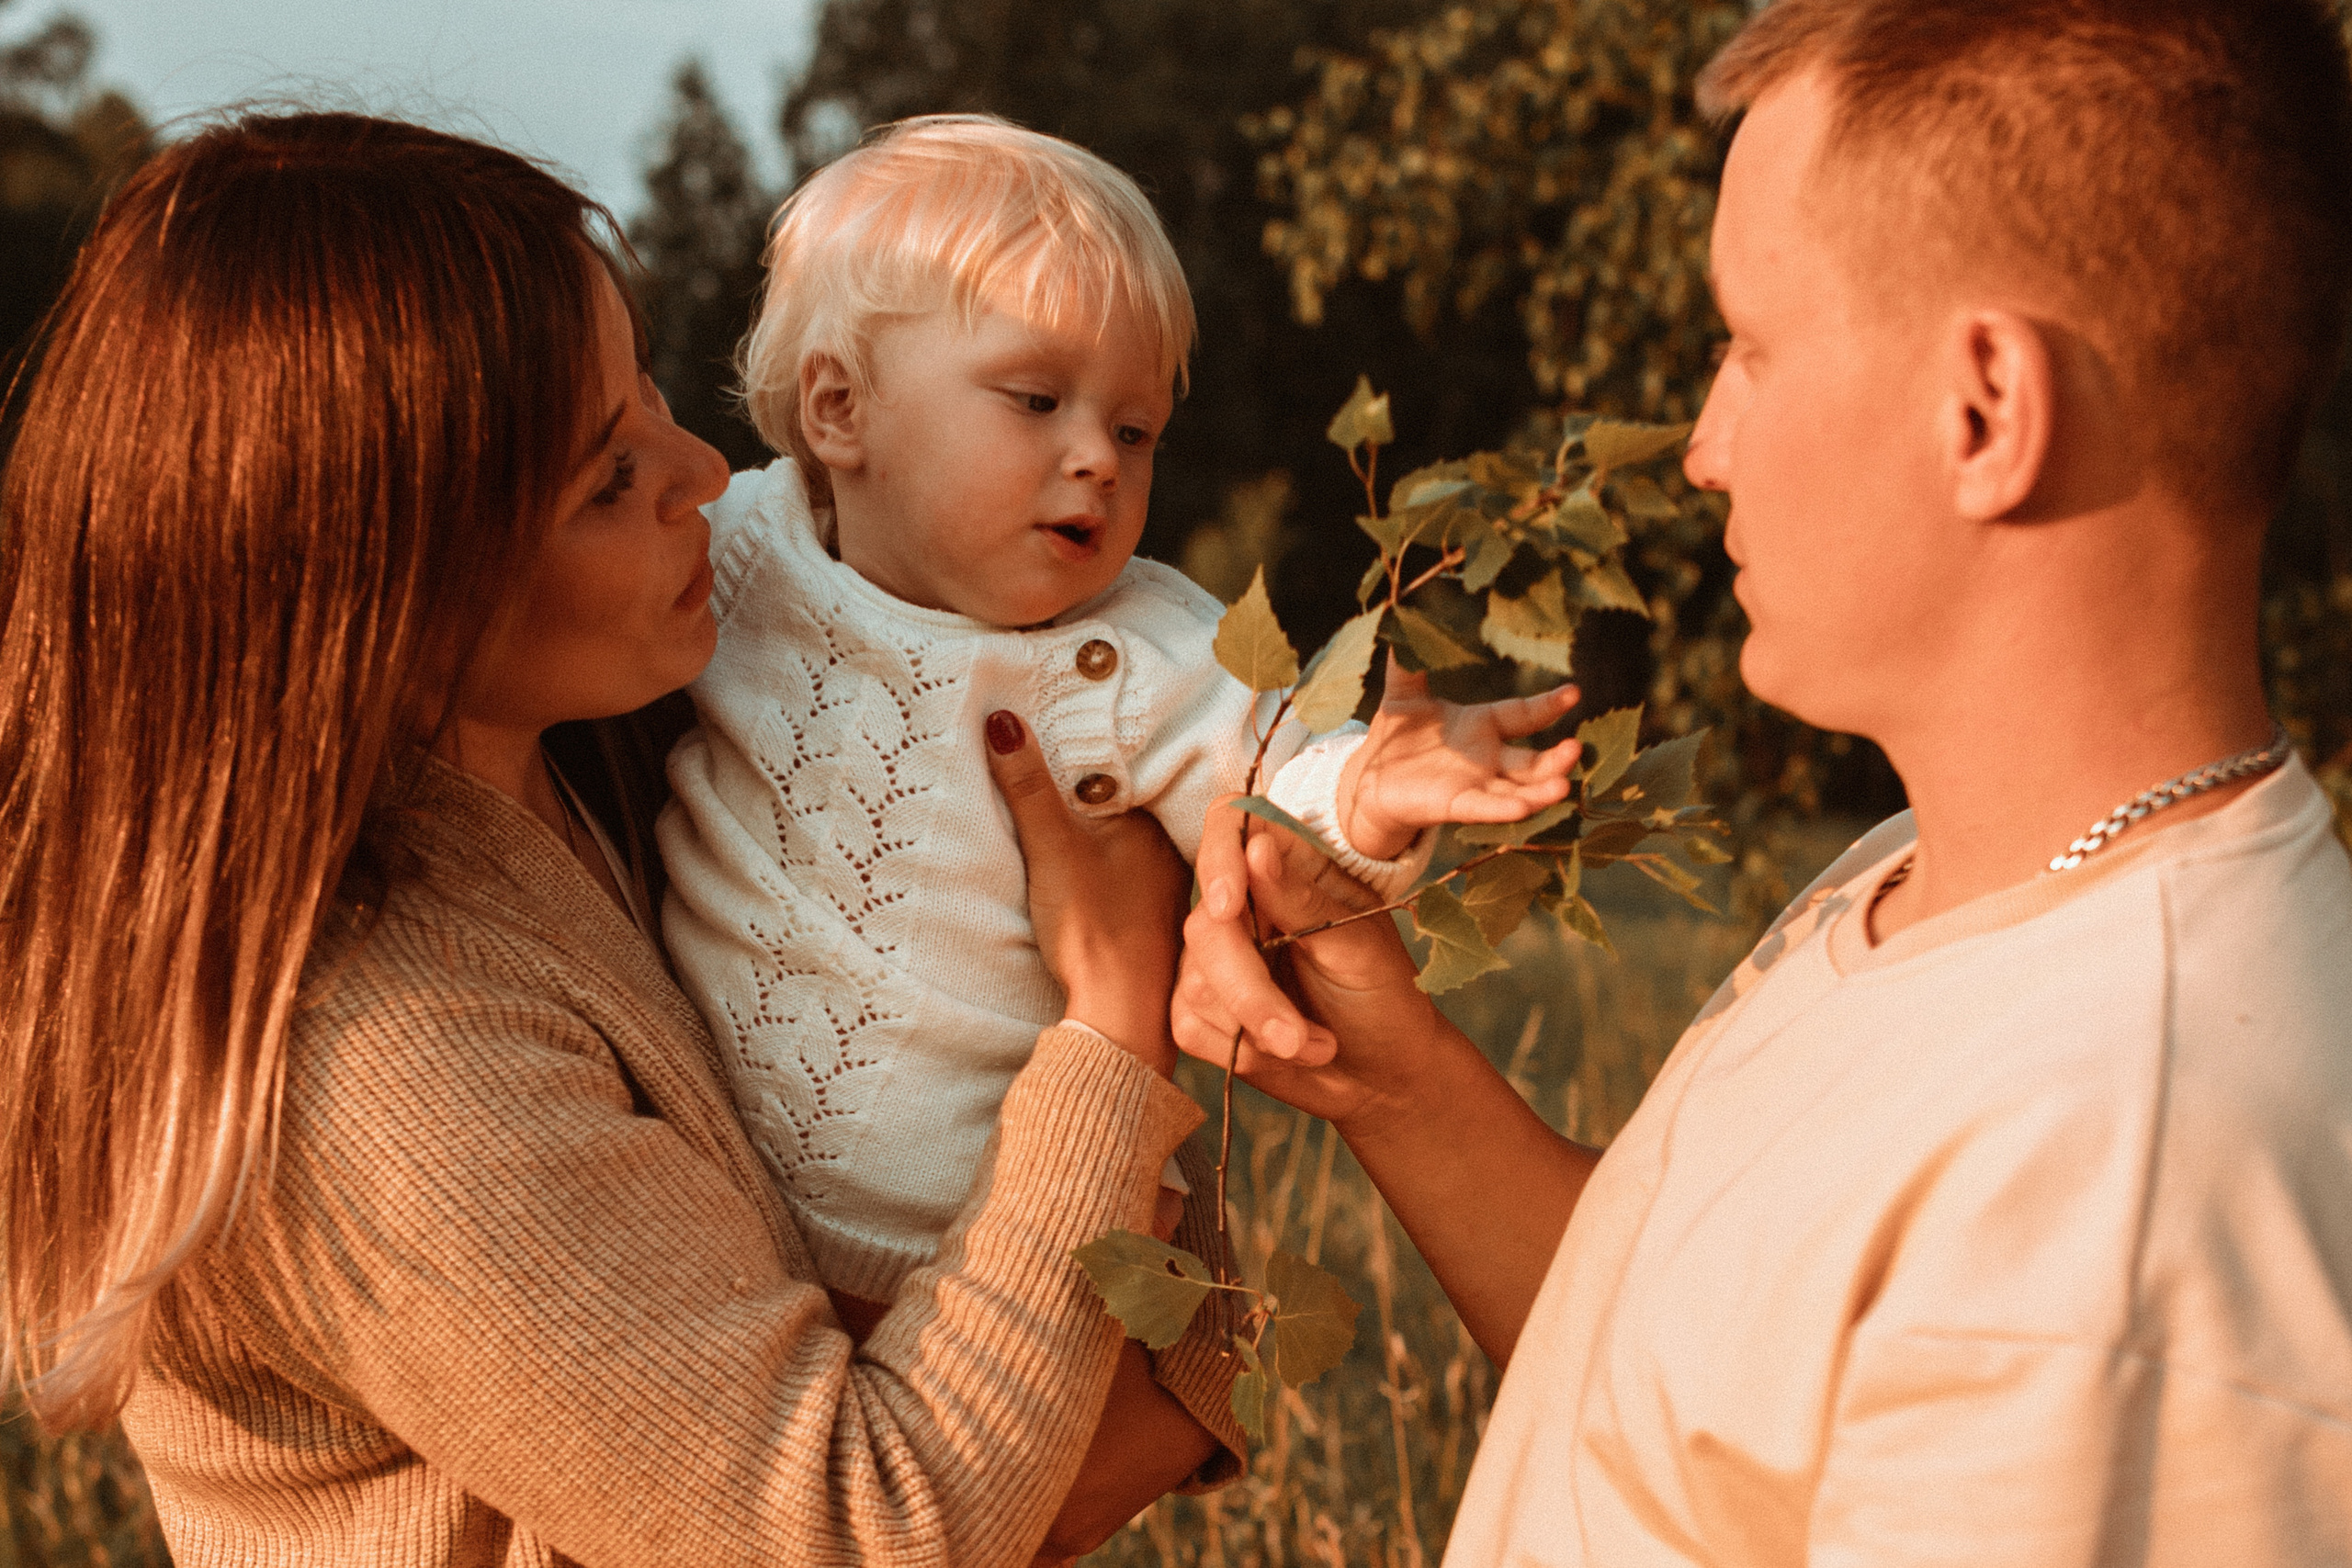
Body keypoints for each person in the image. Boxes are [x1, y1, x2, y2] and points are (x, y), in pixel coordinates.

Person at [1173, 1, 2352, 1562]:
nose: (1707, 444)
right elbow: (1681, 1412)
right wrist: (1379, 1055)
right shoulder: (1938, 876)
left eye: (1749, 345)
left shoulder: (2109, 1201)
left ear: (1983, 410)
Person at [0, 110, 1230, 1566]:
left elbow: (1166, 1371)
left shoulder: (618, 760)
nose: (706, 468)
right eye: (606, 480)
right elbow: (867, 1532)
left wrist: (1180, 1360)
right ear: (380, 598)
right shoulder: (378, 1061)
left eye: (649, 393)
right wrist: (1111, 1022)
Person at [657, 113, 1583, 1338]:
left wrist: (1367, 791)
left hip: (984, 1251)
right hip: (699, 1193)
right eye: (1038, 400)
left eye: (1135, 429)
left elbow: (1268, 800)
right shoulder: (741, 555)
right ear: (839, 411)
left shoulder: (1137, 654)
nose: (1097, 456)